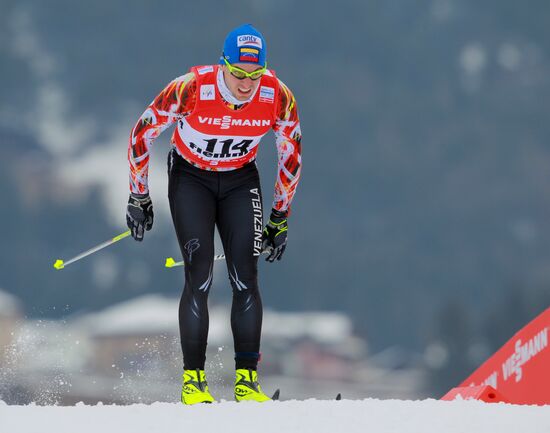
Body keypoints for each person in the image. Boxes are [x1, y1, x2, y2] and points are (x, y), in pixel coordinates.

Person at [126, 24, 302, 404]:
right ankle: (193, 382)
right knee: (200, 273)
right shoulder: (191, 88)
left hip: (240, 180)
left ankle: (246, 383)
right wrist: (138, 195)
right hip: (192, 179)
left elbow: (291, 154)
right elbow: (143, 132)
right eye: (238, 73)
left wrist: (280, 216)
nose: (246, 84)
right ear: (223, 65)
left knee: (246, 276)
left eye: (254, 75)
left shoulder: (277, 96)